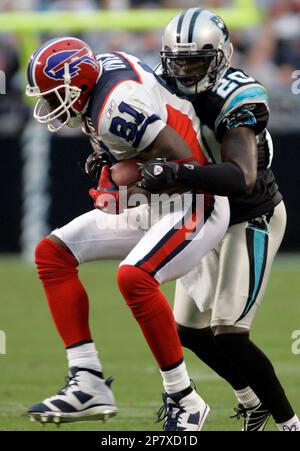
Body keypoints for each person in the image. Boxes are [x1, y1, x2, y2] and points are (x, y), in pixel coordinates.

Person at [25, 36, 229, 430]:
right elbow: (129, 151)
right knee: (53, 254)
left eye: (53, 95)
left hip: (195, 199)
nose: (49, 106)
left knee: (135, 278)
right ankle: (87, 381)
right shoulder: (96, 81)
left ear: (76, 85)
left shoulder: (116, 105)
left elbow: (184, 164)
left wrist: (126, 186)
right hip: (156, 202)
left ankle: (184, 399)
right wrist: (112, 172)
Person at [138, 8, 300, 432]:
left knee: (229, 331)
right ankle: (251, 401)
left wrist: (178, 174)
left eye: (196, 60)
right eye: (178, 60)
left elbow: (243, 179)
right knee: (188, 331)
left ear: (221, 55)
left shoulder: (236, 96)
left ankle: (290, 424)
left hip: (250, 216)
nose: (185, 70)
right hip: (205, 216)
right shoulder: (160, 87)